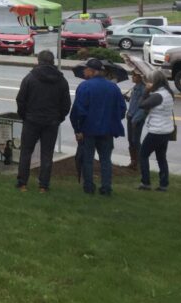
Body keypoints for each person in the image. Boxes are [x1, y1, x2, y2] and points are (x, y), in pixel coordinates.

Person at [14, 49, 71, 192]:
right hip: (51, 122)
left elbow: (21, 100)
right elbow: (66, 104)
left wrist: (24, 115)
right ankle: (43, 186)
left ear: (38, 61)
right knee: (47, 154)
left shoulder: (30, 78)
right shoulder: (61, 80)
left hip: (31, 120)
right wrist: (59, 118)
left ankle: (22, 183)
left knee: (26, 152)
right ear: (53, 62)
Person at [70, 57, 126, 196]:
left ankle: (89, 187)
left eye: (86, 70)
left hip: (88, 131)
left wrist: (78, 130)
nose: (84, 72)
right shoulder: (113, 87)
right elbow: (121, 109)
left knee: (88, 159)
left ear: (92, 71)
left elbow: (78, 111)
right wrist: (112, 121)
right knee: (106, 160)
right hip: (107, 130)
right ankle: (106, 187)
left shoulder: (84, 87)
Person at [137, 73, 175, 191]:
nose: (149, 83)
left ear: (156, 82)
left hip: (156, 131)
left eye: (151, 81)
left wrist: (146, 91)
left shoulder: (158, 95)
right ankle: (164, 184)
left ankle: (146, 182)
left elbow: (141, 105)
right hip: (166, 130)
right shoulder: (168, 93)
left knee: (143, 155)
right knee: (161, 157)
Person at [125, 69, 147, 170]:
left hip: (136, 119)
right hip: (130, 116)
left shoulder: (143, 89)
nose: (132, 77)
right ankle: (133, 161)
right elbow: (134, 102)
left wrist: (135, 119)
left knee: (135, 140)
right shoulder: (135, 87)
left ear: (140, 77)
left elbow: (143, 107)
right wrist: (127, 98)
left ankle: (139, 163)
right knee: (130, 140)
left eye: (134, 75)